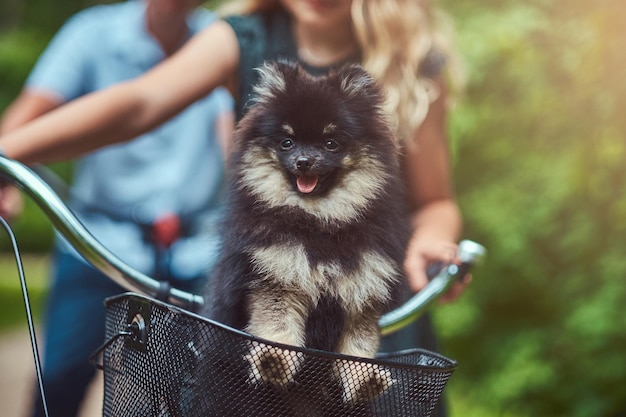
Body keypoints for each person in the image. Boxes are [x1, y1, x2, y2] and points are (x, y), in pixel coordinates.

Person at [0, 0, 468, 415]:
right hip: (262, 312)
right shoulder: (243, 38)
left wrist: (432, 239)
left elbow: (436, 202)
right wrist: (7, 152)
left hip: (370, 313)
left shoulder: (411, 60)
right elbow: (139, 102)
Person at [0, 0, 234, 416]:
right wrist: (6, 168)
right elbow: (28, 114)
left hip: (196, 253)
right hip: (98, 244)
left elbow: (233, 139)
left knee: (196, 395)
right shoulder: (93, 34)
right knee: (58, 379)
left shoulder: (220, 40)